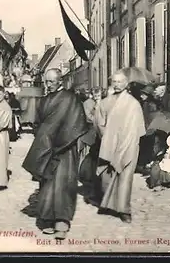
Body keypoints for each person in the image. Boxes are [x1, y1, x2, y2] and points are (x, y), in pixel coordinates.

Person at [22, 68, 88, 240]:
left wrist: (62, 139)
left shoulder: (71, 99)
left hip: (66, 149)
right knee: (48, 185)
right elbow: (38, 123)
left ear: (60, 81)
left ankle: (62, 222)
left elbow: (77, 122)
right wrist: (44, 139)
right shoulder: (44, 101)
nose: (48, 85)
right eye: (46, 81)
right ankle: (48, 219)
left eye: (51, 81)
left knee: (64, 185)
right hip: (48, 149)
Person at [94, 71, 146, 223]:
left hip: (128, 144)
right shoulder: (106, 102)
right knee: (107, 174)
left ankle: (124, 210)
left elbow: (136, 128)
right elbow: (99, 122)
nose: (116, 84)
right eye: (114, 82)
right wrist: (106, 136)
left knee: (124, 177)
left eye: (119, 82)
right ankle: (108, 204)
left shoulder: (133, 104)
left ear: (126, 84)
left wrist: (124, 144)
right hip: (109, 143)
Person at [78, 87, 102, 204]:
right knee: (89, 158)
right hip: (90, 133)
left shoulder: (104, 103)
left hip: (99, 134)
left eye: (99, 95)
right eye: (95, 95)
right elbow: (88, 117)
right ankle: (87, 179)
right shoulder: (88, 103)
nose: (97, 97)